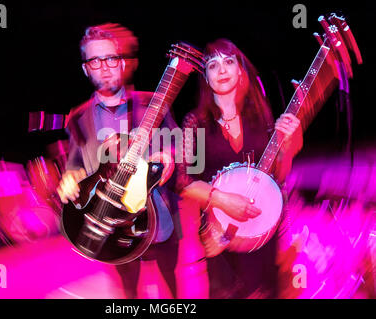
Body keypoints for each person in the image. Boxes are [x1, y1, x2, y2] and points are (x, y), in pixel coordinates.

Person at [57, 23, 181, 299]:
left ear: (122, 63)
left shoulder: (153, 103)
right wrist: (70, 178)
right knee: (128, 293)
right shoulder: (77, 118)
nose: (104, 67)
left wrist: (166, 160)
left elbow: (179, 148)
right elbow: (76, 163)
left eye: (111, 58)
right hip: (110, 224)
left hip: (158, 218)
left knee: (172, 292)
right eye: (94, 60)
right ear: (85, 69)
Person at [175, 38, 303, 298]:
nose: (221, 70)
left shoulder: (262, 118)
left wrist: (291, 146)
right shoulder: (195, 123)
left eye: (229, 62)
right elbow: (184, 181)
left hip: (262, 233)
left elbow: (276, 176)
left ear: (241, 71)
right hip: (219, 236)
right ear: (206, 78)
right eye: (212, 65)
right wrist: (221, 199)